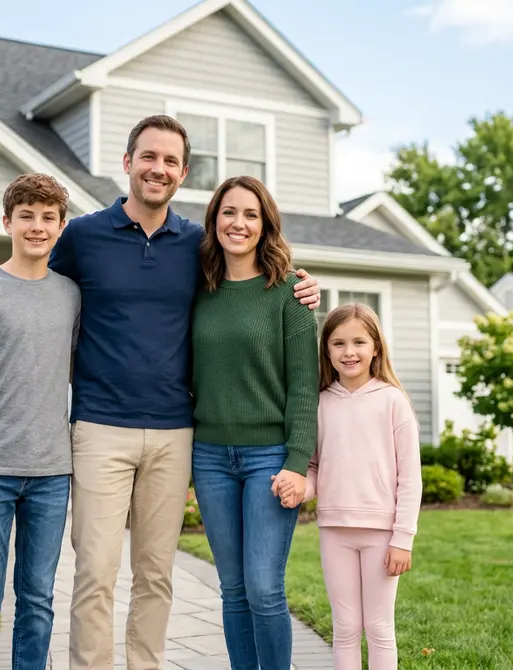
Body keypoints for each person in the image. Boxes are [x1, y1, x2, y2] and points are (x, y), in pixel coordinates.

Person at [0, 115, 321, 670]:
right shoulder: (84, 237)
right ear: (127, 163)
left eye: (170, 161)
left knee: (155, 575)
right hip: (98, 428)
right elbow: (24, 274)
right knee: (94, 573)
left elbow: (251, 274)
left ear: (183, 173)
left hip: (175, 433)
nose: (158, 169)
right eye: (148, 157)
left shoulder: (199, 245)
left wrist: (301, 283)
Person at [0, 173, 82, 670]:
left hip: (51, 471)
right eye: (26, 216)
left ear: (61, 226)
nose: (37, 226)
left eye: (48, 218)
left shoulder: (71, 294)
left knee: (38, 599)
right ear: (7, 222)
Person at [189, 175, 319, 670]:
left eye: (250, 214)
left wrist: (297, 462)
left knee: (265, 589)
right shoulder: (198, 289)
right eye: (228, 212)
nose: (237, 223)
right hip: (211, 458)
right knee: (234, 590)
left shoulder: (290, 294)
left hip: (270, 458)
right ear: (214, 220)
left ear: (265, 224)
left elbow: (305, 387)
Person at [283, 302, 423, 670]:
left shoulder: (393, 401)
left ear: (376, 347)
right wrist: (302, 489)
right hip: (334, 530)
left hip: (381, 534)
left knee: (378, 627)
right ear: (326, 350)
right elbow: (314, 466)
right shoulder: (320, 403)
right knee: (345, 626)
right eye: (338, 343)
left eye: (359, 342)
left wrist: (402, 539)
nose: (349, 352)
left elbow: (410, 478)